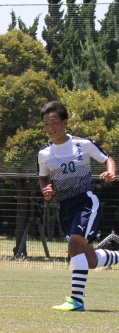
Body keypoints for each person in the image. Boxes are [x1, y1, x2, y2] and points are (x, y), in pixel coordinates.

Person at [39, 101, 119, 311]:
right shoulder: (44, 154)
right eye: (46, 124)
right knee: (90, 260)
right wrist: (46, 189)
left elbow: (107, 159)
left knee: (74, 246)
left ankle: (77, 301)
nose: (50, 127)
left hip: (86, 202)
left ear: (64, 122)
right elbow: (44, 178)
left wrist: (111, 172)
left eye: (54, 122)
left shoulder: (83, 144)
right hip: (65, 207)